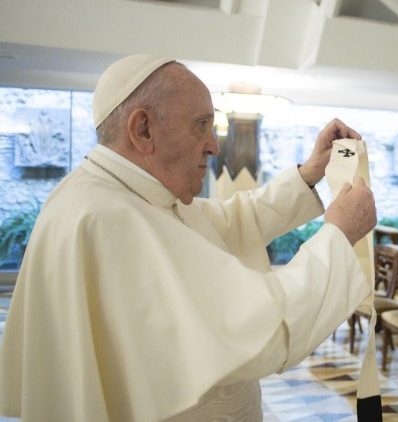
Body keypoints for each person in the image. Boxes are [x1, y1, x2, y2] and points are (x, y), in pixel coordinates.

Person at [0, 54, 378, 421]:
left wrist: (309, 173)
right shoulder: (107, 217)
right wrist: (338, 235)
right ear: (143, 129)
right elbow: (262, 329)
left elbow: (233, 219)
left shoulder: (123, 196)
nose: (214, 146)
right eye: (201, 125)